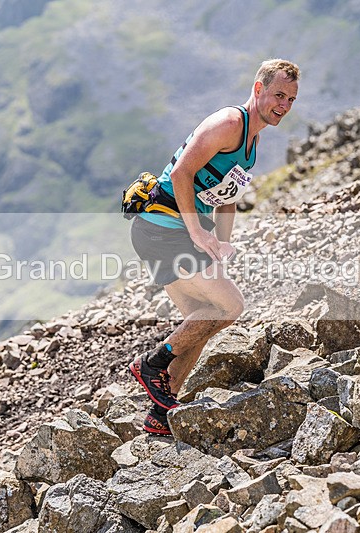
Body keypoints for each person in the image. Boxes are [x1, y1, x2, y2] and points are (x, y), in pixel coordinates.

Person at [128, 59, 300, 435]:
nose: (283, 106)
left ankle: (160, 412)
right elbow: (180, 173)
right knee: (230, 306)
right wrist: (197, 233)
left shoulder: (252, 141)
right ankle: (151, 364)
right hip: (162, 227)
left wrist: (223, 242)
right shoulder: (229, 124)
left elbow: (227, 197)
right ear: (258, 89)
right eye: (278, 95)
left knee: (201, 323)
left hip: (170, 232)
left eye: (290, 99)